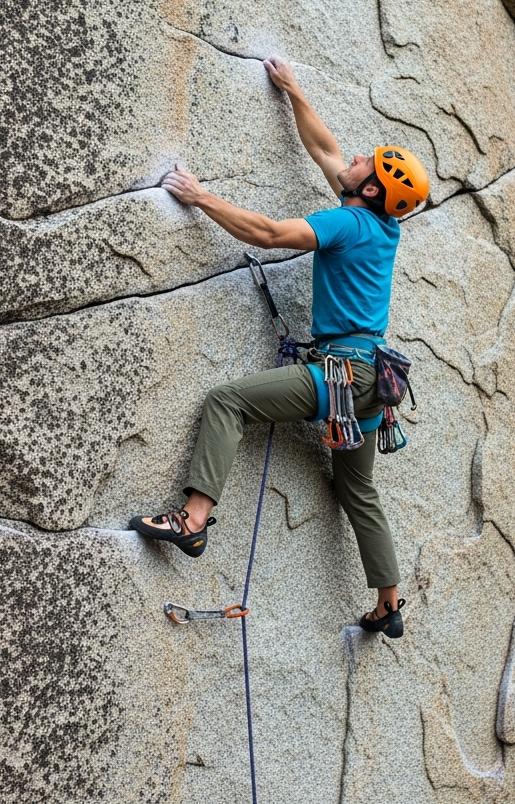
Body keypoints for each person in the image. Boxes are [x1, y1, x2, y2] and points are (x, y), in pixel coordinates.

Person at [130, 56, 429, 638]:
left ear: (371, 188)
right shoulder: (380, 222)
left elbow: (269, 234)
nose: (353, 158)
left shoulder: (346, 224)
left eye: (365, 162)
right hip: (375, 382)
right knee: (356, 488)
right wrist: (293, 89)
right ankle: (389, 603)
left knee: (227, 401)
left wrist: (201, 198)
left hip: (341, 375)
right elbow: (325, 150)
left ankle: (193, 519)